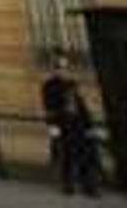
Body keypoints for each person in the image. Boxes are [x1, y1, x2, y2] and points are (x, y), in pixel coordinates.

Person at [41, 53, 101, 197]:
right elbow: (48, 106)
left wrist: (90, 126)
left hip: (78, 123)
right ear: (54, 69)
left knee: (85, 155)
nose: (64, 70)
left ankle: (88, 186)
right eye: (61, 67)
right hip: (63, 124)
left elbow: (81, 105)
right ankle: (67, 184)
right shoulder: (49, 86)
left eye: (66, 67)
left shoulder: (72, 84)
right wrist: (52, 126)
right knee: (66, 156)